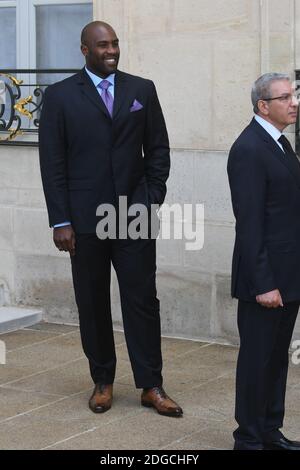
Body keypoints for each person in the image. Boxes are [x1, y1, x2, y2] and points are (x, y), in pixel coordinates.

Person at [39, 21, 182, 418]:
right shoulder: (60, 96)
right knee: (92, 301)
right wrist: (60, 220)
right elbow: (52, 163)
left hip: (132, 216)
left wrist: (151, 199)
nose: (112, 50)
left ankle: (151, 385)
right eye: (103, 45)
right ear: (84, 49)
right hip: (84, 222)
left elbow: (158, 149)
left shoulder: (141, 90)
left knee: (142, 301)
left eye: (115, 44)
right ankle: (102, 381)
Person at [227, 73, 300, 450]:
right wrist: (265, 283)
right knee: (257, 362)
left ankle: (270, 430)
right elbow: (250, 224)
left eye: (294, 95)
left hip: (288, 278)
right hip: (265, 281)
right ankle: (249, 439)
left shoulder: (279, 143)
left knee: (276, 361)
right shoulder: (249, 149)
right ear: (262, 106)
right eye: (285, 97)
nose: (294, 103)